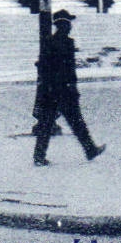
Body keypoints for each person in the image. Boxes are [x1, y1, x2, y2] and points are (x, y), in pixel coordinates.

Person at [32, 10, 104, 166]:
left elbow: (42, 65)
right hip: (63, 90)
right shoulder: (65, 43)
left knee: (48, 124)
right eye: (68, 23)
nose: (70, 26)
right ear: (62, 25)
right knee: (75, 122)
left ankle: (39, 156)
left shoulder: (49, 41)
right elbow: (68, 70)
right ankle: (90, 149)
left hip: (51, 90)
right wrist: (72, 87)